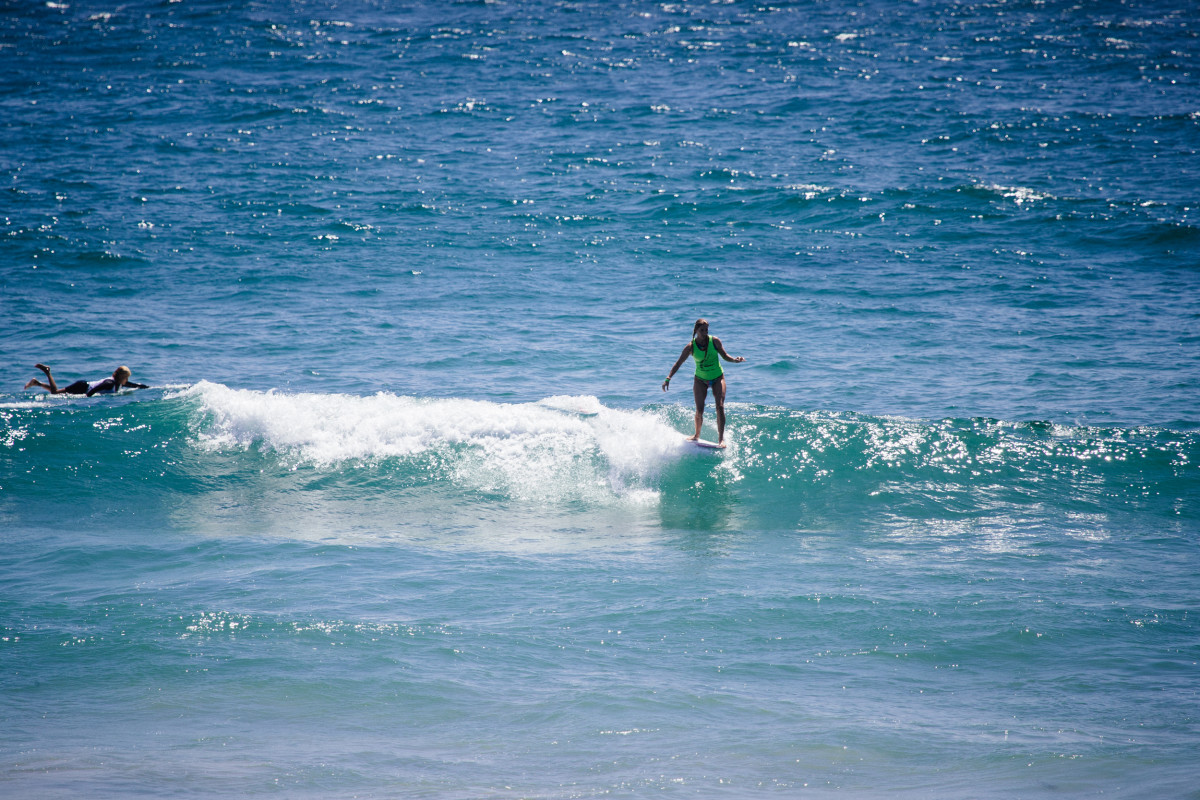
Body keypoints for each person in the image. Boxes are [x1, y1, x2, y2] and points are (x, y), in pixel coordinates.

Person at [661, 318, 745, 447]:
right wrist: (668, 378)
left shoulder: (715, 341)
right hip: (700, 380)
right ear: (696, 330)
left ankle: (721, 439)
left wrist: (735, 360)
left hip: (718, 377)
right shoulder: (690, 347)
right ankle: (696, 435)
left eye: (706, 330)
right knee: (699, 410)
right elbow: (678, 363)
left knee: (720, 406)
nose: (705, 332)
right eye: (702, 330)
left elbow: (725, 356)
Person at [24, 363, 148, 397]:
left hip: (83, 386)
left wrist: (148, 388)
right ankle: (47, 371)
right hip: (82, 387)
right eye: (126, 377)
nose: (128, 380)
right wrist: (85, 399)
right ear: (121, 377)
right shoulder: (109, 383)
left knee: (59, 391)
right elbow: (92, 391)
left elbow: (135, 385)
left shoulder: (119, 383)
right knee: (55, 393)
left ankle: (37, 383)